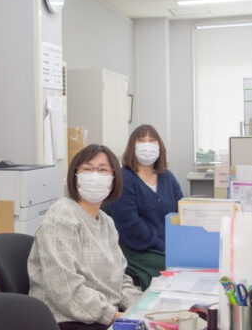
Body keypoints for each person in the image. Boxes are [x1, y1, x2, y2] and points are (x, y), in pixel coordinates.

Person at [28, 144, 142, 330]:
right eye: (87, 169)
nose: (95, 175)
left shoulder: (106, 222)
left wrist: (141, 307)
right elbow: (65, 290)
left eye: (103, 170)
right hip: (68, 320)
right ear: (75, 177)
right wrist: (114, 316)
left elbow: (120, 279)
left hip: (103, 315)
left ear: (113, 180)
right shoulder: (60, 219)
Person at [110, 124, 184, 289]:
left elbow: (182, 212)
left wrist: (181, 243)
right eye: (141, 140)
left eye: (152, 140)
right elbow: (131, 225)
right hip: (138, 249)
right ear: (132, 147)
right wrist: (162, 247)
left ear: (159, 146)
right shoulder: (124, 178)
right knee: (175, 270)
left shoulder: (167, 177)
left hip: (168, 246)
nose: (147, 145)